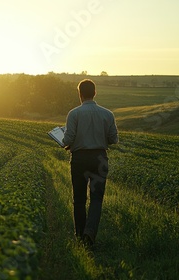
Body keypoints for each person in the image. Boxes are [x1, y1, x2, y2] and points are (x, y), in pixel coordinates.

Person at [62, 79, 118, 247]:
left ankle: (79, 235)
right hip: (100, 158)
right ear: (95, 93)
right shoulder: (107, 114)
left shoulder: (74, 113)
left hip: (79, 159)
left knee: (79, 199)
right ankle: (90, 233)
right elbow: (113, 139)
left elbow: (68, 139)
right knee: (96, 199)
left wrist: (65, 141)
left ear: (80, 94)